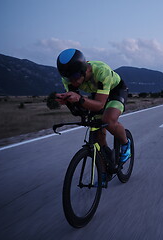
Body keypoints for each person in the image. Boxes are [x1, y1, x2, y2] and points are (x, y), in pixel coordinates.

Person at [55, 48, 131, 185]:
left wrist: (79, 99)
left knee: (108, 120)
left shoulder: (101, 71)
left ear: (84, 70)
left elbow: (100, 105)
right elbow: (78, 109)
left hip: (116, 91)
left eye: (75, 77)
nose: (73, 82)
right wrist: (67, 101)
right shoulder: (68, 78)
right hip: (97, 94)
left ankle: (126, 144)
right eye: (68, 79)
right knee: (96, 134)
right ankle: (104, 171)